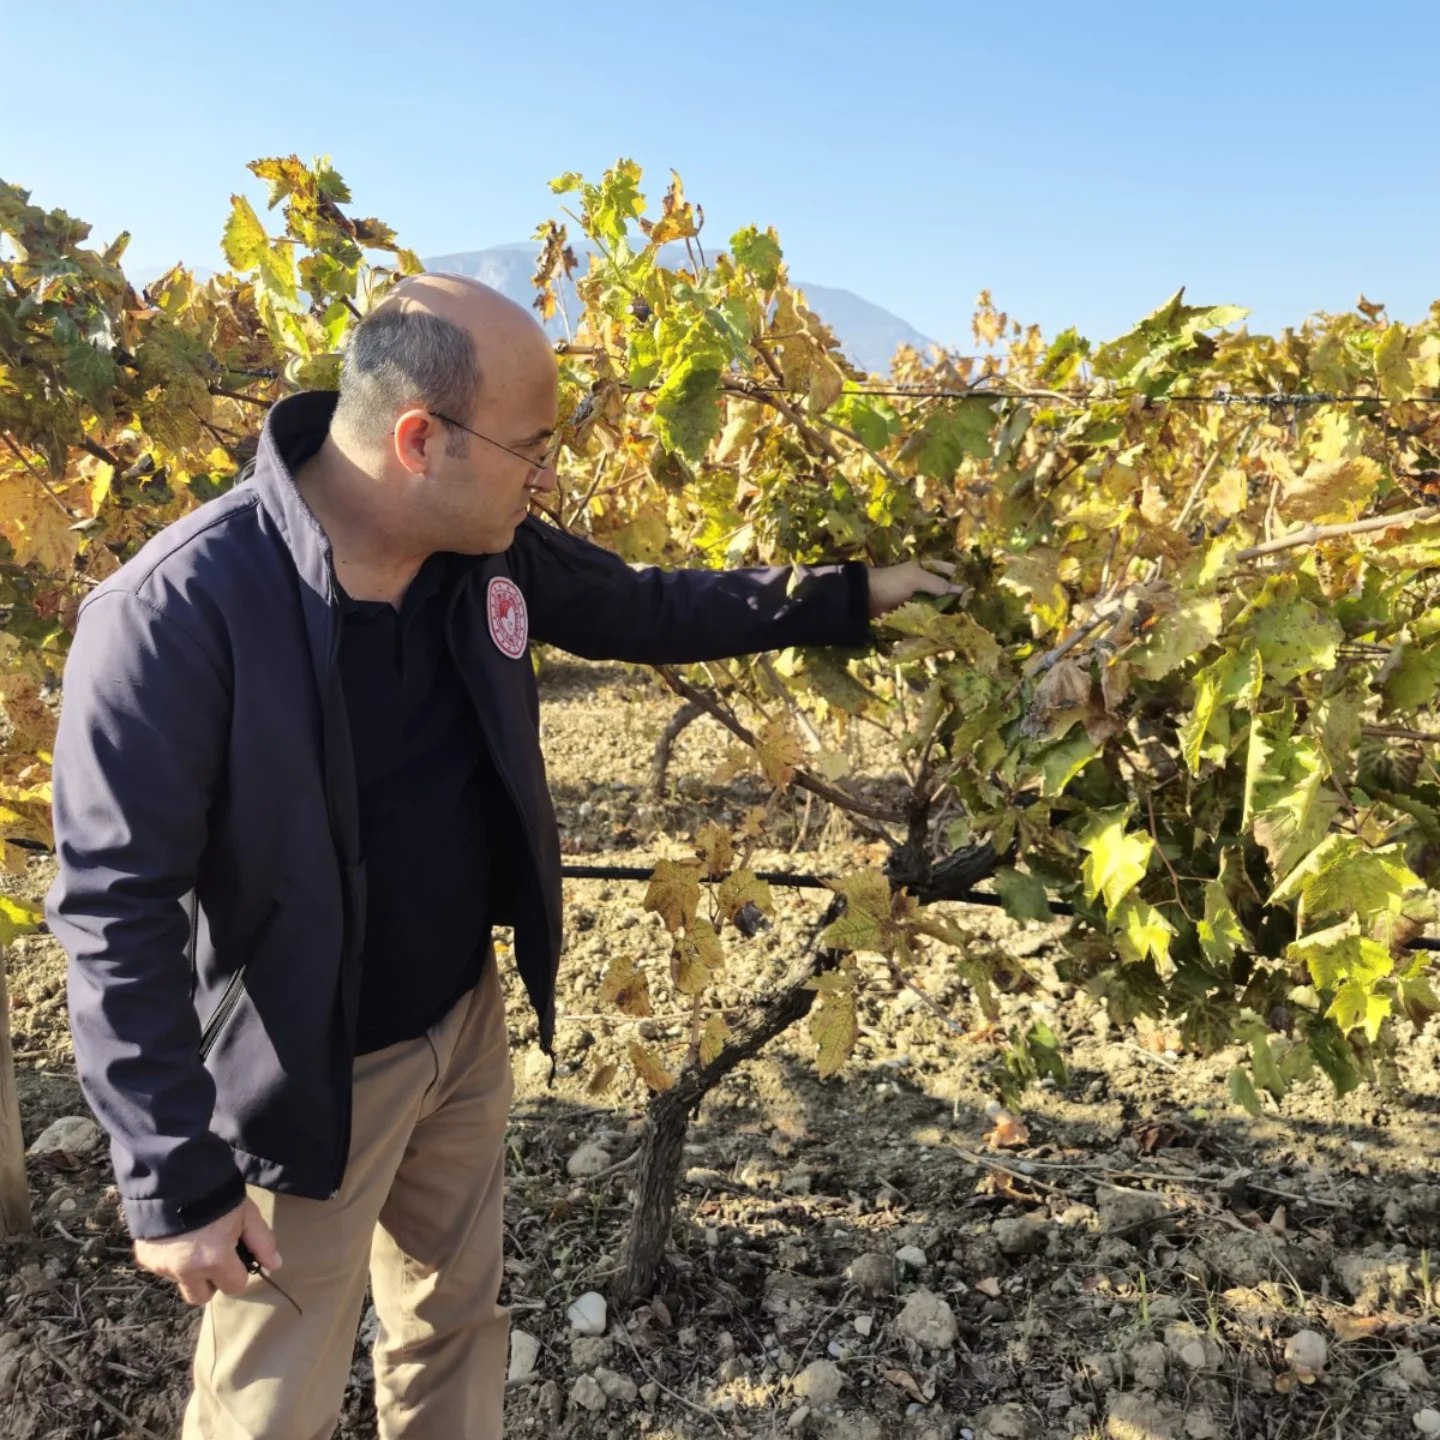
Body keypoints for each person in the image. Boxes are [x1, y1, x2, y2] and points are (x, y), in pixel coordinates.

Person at [45, 274, 955, 1439]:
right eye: (532, 449)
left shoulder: (487, 553)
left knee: (453, 1325)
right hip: (302, 1078)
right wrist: (171, 1174)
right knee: (272, 1396)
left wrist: (847, 596)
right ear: (421, 441)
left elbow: (646, 609)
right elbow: (113, 909)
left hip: (459, 1031)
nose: (547, 478)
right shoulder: (179, 613)